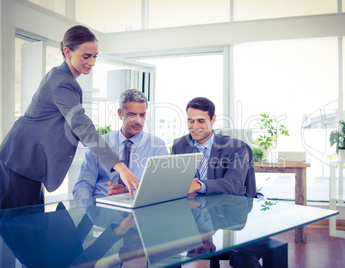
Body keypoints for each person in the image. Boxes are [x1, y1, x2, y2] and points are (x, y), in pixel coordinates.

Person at [0, 25, 138, 209]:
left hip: (25, 162)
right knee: (20, 226)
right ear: (67, 51)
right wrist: (120, 166)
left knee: (29, 222)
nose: (92, 62)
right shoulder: (62, 82)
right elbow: (82, 126)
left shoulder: (62, 77)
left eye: (95, 56)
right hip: (22, 161)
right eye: (86, 56)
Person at [73, 89, 168, 200]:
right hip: (102, 208)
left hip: (137, 210)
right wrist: (91, 213)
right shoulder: (100, 144)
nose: (138, 121)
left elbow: (161, 190)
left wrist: (127, 194)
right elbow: (83, 185)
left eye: (142, 115)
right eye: (132, 115)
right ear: (120, 113)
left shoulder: (157, 147)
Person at [171, 97, 253, 197]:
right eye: (191, 121)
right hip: (191, 207)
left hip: (224, 209)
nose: (195, 126)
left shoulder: (235, 147)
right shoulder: (179, 145)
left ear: (213, 119)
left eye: (201, 121)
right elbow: (175, 182)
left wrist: (199, 186)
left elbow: (234, 184)